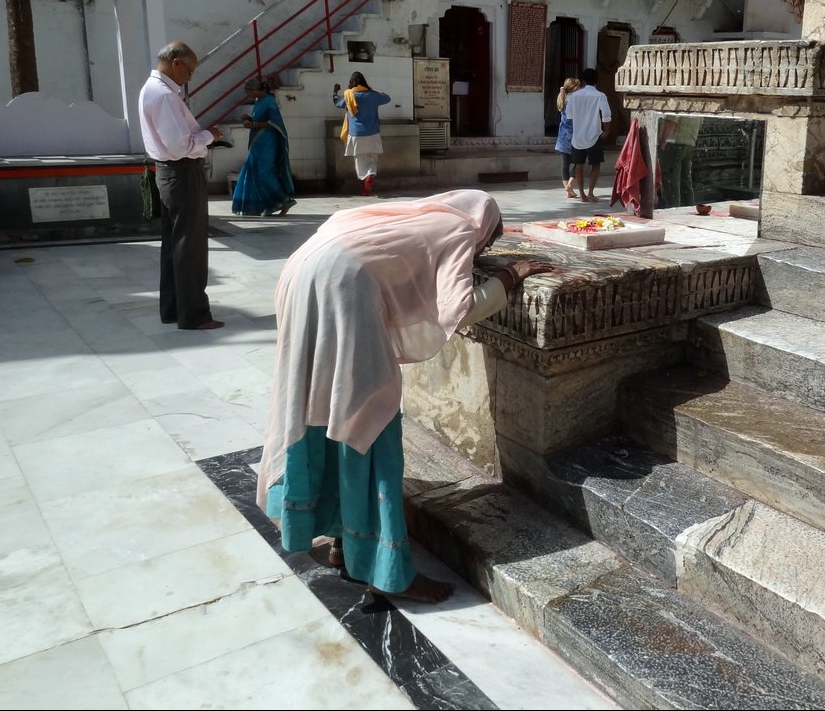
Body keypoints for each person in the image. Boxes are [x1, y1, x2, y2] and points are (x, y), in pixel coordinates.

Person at [256, 190, 555, 603]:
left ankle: (342, 542)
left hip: (303, 276)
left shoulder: (410, 214)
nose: (479, 252)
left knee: (317, 408)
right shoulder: (459, 228)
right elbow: (460, 307)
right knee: (367, 418)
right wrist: (509, 276)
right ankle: (385, 571)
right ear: (483, 228)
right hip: (343, 294)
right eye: (484, 246)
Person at [138, 41, 225, 331]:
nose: (190, 76)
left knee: (174, 245)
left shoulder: (152, 90)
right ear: (176, 63)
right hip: (182, 172)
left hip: (169, 173)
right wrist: (208, 136)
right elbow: (180, 146)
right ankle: (194, 315)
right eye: (190, 69)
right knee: (190, 245)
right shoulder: (163, 95)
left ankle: (173, 309)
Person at [232, 78, 297, 217]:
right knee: (254, 172)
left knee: (264, 172)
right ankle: (266, 205)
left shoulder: (269, 101)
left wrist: (254, 125)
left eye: (248, 91)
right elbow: (261, 119)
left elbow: (273, 122)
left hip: (268, 142)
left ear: (255, 90)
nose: (247, 94)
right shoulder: (259, 101)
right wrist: (249, 119)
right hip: (258, 142)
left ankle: (284, 200)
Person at [333, 72, 391, 196]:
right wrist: (372, 91)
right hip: (373, 133)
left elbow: (337, 103)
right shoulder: (373, 95)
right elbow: (387, 98)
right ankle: (370, 176)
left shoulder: (349, 95)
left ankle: (365, 180)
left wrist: (335, 92)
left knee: (360, 159)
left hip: (356, 135)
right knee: (372, 158)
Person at [564, 68, 612, 203]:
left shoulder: (575, 96)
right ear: (597, 80)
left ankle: (582, 194)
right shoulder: (600, 96)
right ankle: (591, 192)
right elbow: (606, 116)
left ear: (583, 80)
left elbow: (570, 115)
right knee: (595, 164)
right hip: (594, 135)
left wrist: (580, 123)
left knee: (578, 165)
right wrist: (606, 131)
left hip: (578, 136)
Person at [658, 113, 702, 208]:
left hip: (674, 143)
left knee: (671, 184)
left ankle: (672, 213)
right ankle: (688, 211)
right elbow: (700, 124)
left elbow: (671, 122)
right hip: (689, 143)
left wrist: (663, 142)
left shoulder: (678, 100)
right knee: (685, 182)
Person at [554, 77, 582, 199]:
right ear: (573, 87)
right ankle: (570, 185)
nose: (580, 88)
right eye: (578, 86)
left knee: (565, 163)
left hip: (563, 135)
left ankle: (568, 190)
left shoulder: (563, 97)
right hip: (574, 134)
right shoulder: (574, 100)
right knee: (578, 160)